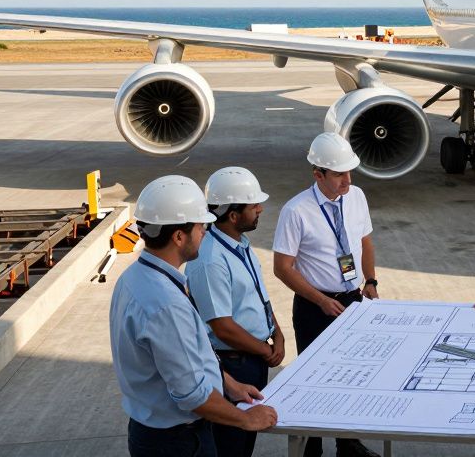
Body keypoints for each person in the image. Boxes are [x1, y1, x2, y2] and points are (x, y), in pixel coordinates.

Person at [110, 175, 277, 457]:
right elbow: (192, 395)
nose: (205, 233)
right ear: (178, 236)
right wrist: (246, 419)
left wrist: (230, 385)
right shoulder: (166, 304)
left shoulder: (133, 278)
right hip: (178, 442)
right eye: (201, 226)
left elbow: (188, 357)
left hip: (154, 432)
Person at [273, 133, 380, 457]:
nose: (347, 180)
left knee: (352, 375)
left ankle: (348, 443)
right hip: (314, 305)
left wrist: (371, 281)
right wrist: (319, 299)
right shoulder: (296, 210)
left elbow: (365, 242)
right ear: (318, 174)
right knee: (313, 381)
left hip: (353, 300)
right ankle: (311, 448)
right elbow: (282, 267)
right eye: (338, 174)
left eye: (350, 172)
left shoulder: (357, 196)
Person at [186, 167, 283, 457]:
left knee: (244, 443)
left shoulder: (241, 244)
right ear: (232, 215)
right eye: (253, 206)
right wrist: (265, 351)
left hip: (252, 357)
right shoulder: (211, 259)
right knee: (231, 445)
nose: (260, 209)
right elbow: (222, 326)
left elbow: (256, 295)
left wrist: (276, 333)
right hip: (233, 365)